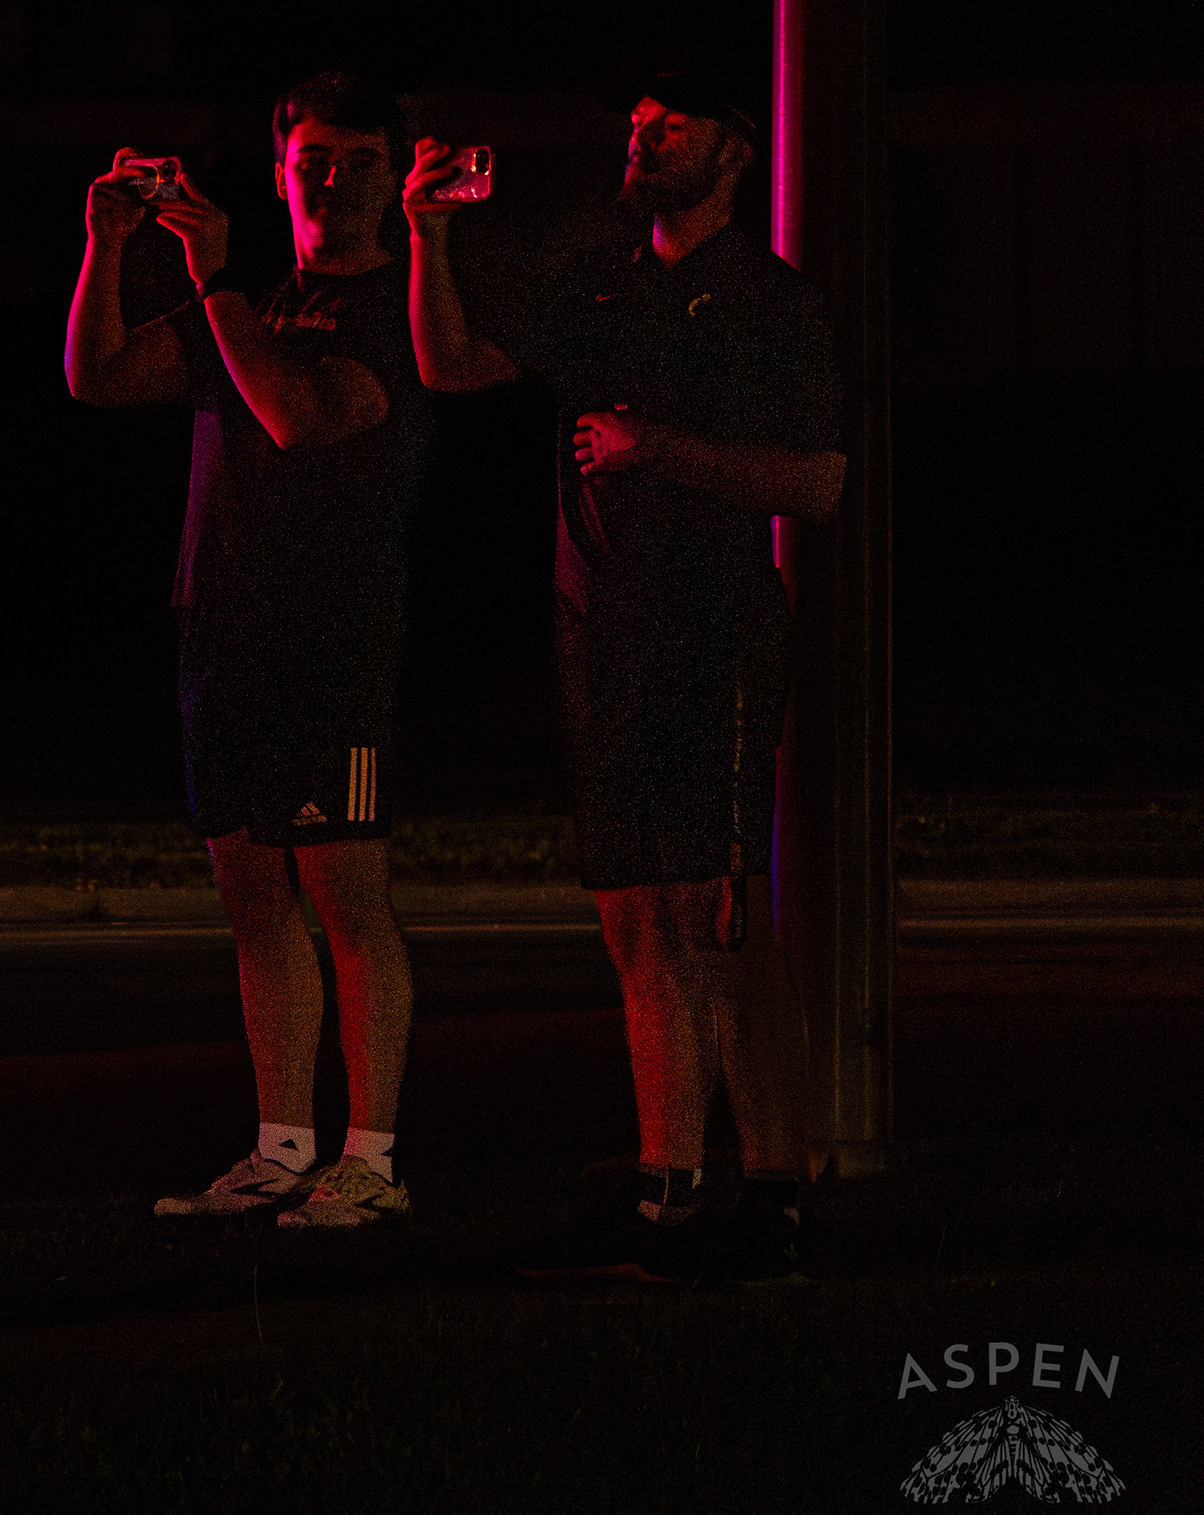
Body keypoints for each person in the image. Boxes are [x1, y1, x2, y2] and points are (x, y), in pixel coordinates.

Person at [402, 73, 843, 1283]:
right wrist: (430, 234)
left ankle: (778, 1195)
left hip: (716, 633)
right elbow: (448, 365)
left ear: (735, 152)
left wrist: (663, 448)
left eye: (675, 126)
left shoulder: (771, 300)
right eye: (639, 124)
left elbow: (817, 483)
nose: (645, 141)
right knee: (633, 918)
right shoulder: (601, 280)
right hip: (603, 633)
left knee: (719, 922)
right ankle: (664, 1188)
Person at [64, 73, 434, 1229]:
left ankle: (370, 1157)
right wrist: (107, 246)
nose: (332, 179)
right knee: (254, 898)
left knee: (347, 900)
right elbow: (100, 374)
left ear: (394, 168)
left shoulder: (400, 306)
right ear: (281, 168)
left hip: (331, 640)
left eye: (359, 157)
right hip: (220, 630)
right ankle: (283, 1145)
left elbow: (298, 414)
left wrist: (216, 278)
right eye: (313, 157)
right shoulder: (257, 298)